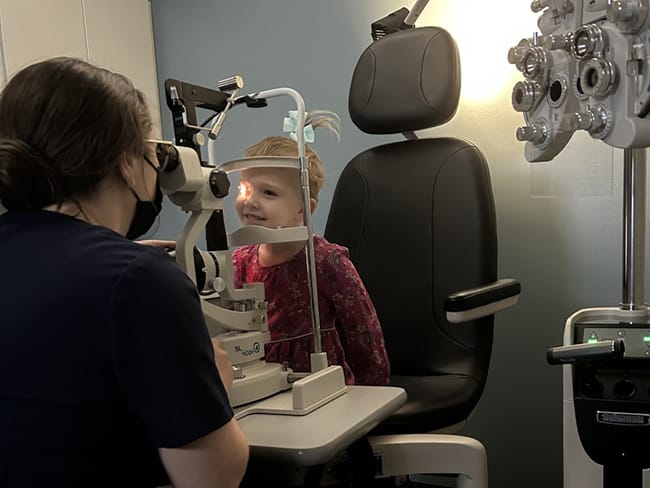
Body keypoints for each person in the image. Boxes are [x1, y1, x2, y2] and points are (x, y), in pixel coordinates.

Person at [0, 57, 248, 487]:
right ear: (126, 163)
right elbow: (211, 478)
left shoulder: (125, 275)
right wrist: (215, 390)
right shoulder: (138, 280)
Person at [231, 113, 390, 386]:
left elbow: (364, 330)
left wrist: (373, 395)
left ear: (304, 209)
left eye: (268, 192)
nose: (250, 201)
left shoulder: (325, 261)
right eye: (245, 189)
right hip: (260, 383)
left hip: (323, 385)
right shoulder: (239, 261)